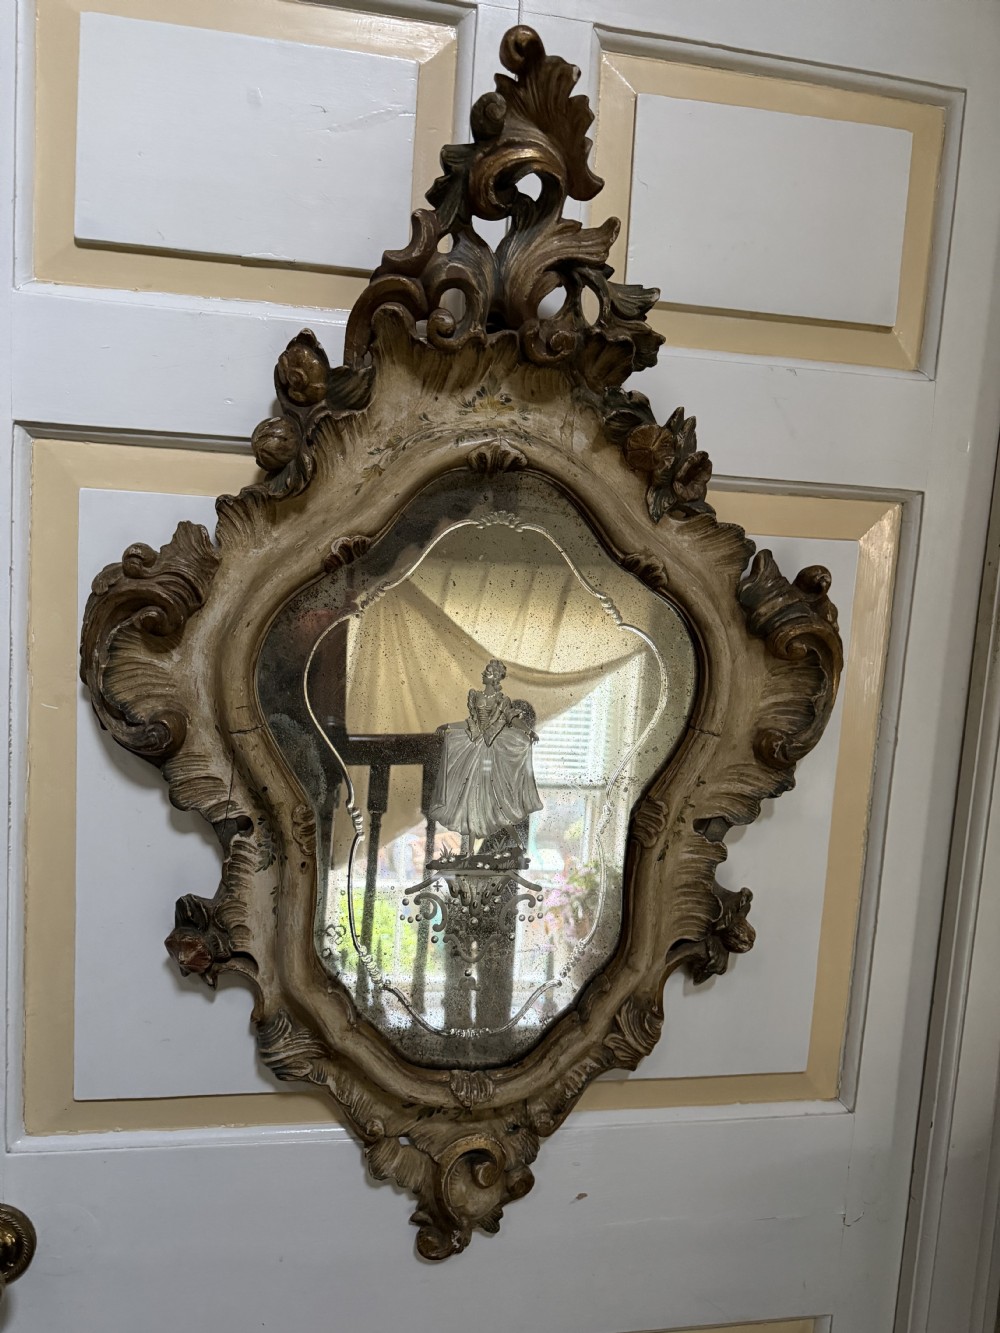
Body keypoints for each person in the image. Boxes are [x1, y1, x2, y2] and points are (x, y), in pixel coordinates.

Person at [428, 659, 542, 856]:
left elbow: (511, 720)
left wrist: (528, 732)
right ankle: (470, 854)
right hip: (479, 758)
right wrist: (448, 726)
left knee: (498, 808)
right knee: (472, 803)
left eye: (488, 672)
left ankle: (514, 846)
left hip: (493, 766)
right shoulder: (477, 698)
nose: (483, 674)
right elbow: (471, 724)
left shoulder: (502, 704)